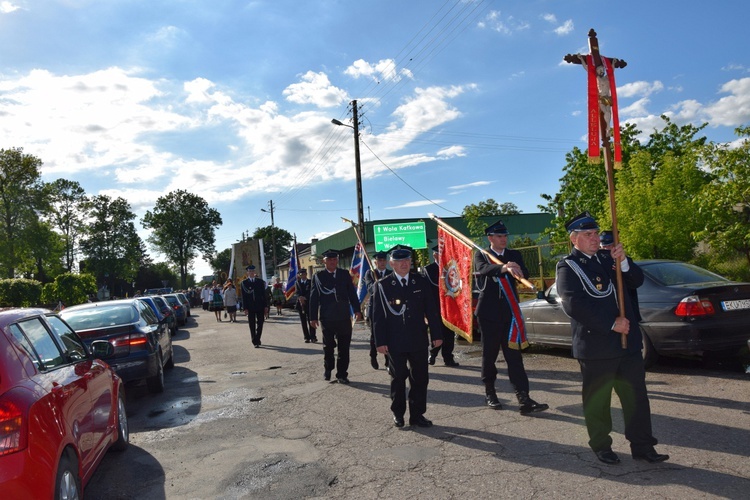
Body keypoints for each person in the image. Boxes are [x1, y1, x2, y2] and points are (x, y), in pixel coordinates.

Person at [556, 212, 669, 465]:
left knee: (636, 398)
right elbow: (574, 304)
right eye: (588, 235)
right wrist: (610, 323)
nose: (595, 238)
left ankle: (643, 446)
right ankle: (601, 445)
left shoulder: (610, 258)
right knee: (599, 400)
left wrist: (625, 261)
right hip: (596, 346)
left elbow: (636, 281)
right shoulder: (568, 266)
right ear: (574, 239)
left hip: (628, 345)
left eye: (596, 233)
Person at [474, 220, 548, 414]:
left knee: (514, 358)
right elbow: (483, 270)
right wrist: (504, 268)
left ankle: (524, 397)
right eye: (499, 236)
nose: (503, 239)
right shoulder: (482, 255)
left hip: (509, 313)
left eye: (505, 236)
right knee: (489, 355)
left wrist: (519, 270)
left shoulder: (514, 255)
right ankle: (490, 393)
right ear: (490, 238)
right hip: (488, 314)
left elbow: (525, 272)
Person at [372, 245, 444, 428]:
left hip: (418, 338)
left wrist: (437, 334)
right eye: (399, 261)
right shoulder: (382, 285)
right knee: (398, 378)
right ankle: (398, 413)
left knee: (420, 378)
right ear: (392, 263)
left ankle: (417, 415)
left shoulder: (420, 281)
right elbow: (377, 317)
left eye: (407, 260)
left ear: (411, 262)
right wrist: (379, 342)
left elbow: (432, 310)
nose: (404, 264)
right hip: (394, 340)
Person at [309, 249, 362, 383]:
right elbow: (314, 297)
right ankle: (328, 368)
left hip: (343, 316)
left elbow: (352, 294)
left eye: (335, 259)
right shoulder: (318, 276)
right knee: (329, 346)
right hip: (327, 317)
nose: (333, 262)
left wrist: (357, 309)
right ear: (324, 261)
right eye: (330, 260)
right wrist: (313, 317)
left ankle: (342, 374)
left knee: (344, 347)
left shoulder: (344, 274)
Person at [423, 245, 459, 368]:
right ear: (435, 255)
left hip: (449, 306)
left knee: (449, 333)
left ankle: (448, 358)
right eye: (440, 253)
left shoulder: (451, 268)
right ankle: (432, 354)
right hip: (435, 307)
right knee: (437, 332)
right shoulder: (429, 269)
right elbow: (428, 290)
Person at [363, 251, 392, 369]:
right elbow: (371, 289)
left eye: (384, 260)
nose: (382, 262)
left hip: (388, 309)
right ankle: (373, 355)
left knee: (389, 335)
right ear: (375, 262)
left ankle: (388, 360)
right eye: (379, 261)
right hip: (375, 309)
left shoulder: (391, 273)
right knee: (375, 335)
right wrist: (379, 283)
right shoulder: (370, 273)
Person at [240, 265, 269, 347]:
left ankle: (258, 338)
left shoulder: (260, 282)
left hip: (260, 306)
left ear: (254, 272)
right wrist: (245, 308)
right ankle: (254, 341)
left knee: (260, 323)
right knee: (251, 324)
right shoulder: (244, 283)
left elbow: (264, 295)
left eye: (252, 271)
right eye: (250, 271)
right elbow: (244, 297)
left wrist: (265, 306)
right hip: (250, 307)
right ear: (247, 273)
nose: (251, 273)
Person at [294, 269, 317, 343]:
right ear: (299, 275)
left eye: (304, 274)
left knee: (311, 320)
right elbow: (297, 292)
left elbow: (311, 291)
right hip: (300, 304)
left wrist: (305, 298)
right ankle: (306, 337)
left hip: (309, 304)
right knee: (303, 322)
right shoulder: (297, 283)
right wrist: (300, 297)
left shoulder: (310, 282)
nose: (303, 276)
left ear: (306, 274)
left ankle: (313, 336)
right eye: (301, 275)